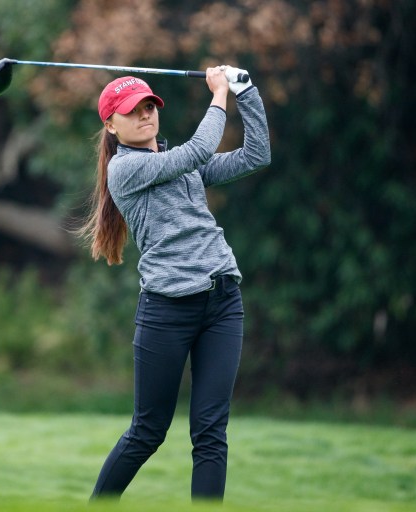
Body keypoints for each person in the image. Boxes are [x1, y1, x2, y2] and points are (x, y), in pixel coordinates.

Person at [79, 65, 270, 501]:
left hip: (222, 302)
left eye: (149, 106)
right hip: (167, 311)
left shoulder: (179, 164)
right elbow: (199, 149)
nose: (145, 115)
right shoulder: (125, 170)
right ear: (111, 124)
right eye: (132, 111)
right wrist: (219, 94)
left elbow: (255, 155)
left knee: (210, 433)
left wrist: (248, 93)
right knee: (148, 432)